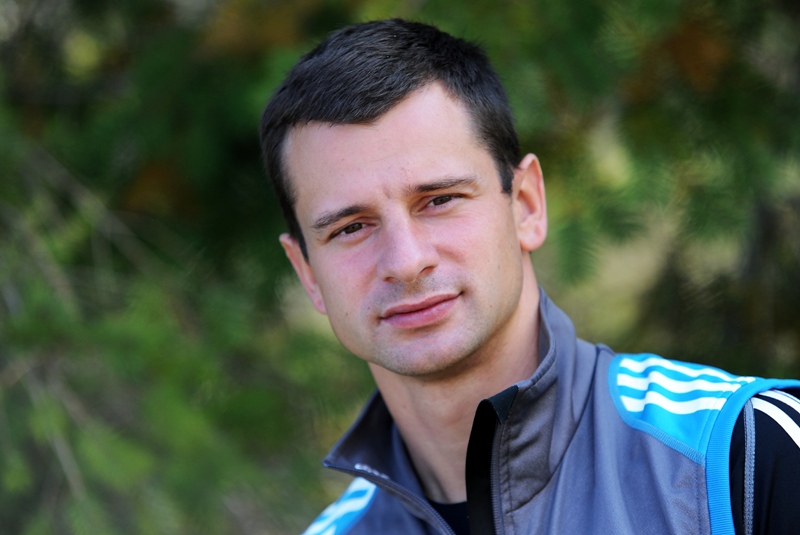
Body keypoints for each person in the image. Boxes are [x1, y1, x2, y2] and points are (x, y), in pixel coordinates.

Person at [259, 19, 800, 535]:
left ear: (526, 205)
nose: (405, 261)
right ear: (307, 272)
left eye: (439, 199)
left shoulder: (743, 453)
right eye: (351, 228)